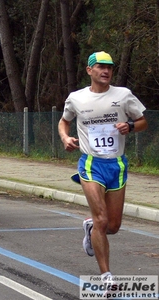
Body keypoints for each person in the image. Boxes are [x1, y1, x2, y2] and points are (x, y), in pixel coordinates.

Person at [58, 51, 148, 284]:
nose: (106, 71)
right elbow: (64, 121)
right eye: (100, 67)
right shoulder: (76, 98)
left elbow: (143, 122)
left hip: (116, 163)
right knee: (101, 219)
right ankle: (106, 275)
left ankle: (90, 228)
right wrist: (65, 138)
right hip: (90, 163)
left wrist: (130, 125)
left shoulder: (123, 95)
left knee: (113, 225)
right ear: (90, 70)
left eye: (109, 67)